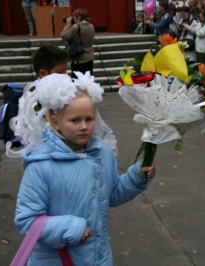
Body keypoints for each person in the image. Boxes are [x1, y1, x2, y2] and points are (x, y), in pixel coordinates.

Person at [11, 73, 155, 265]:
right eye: (75, 120)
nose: (84, 127)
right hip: (57, 260)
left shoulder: (102, 154)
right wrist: (71, 228)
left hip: (97, 257)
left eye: (89, 119)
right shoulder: (41, 165)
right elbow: (27, 219)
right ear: (55, 122)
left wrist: (136, 177)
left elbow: (110, 195)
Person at [0, 45, 68, 147]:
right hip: (41, 150)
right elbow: (24, 130)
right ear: (43, 73)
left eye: (66, 71)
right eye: (60, 72)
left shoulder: (65, 90)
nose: (65, 76)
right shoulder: (31, 96)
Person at [61, 8, 95, 78]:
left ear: (78, 17)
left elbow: (64, 36)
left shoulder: (76, 27)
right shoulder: (91, 26)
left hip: (79, 59)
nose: (73, 19)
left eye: (74, 17)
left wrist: (68, 25)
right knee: (88, 81)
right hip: (89, 58)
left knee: (78, 82)